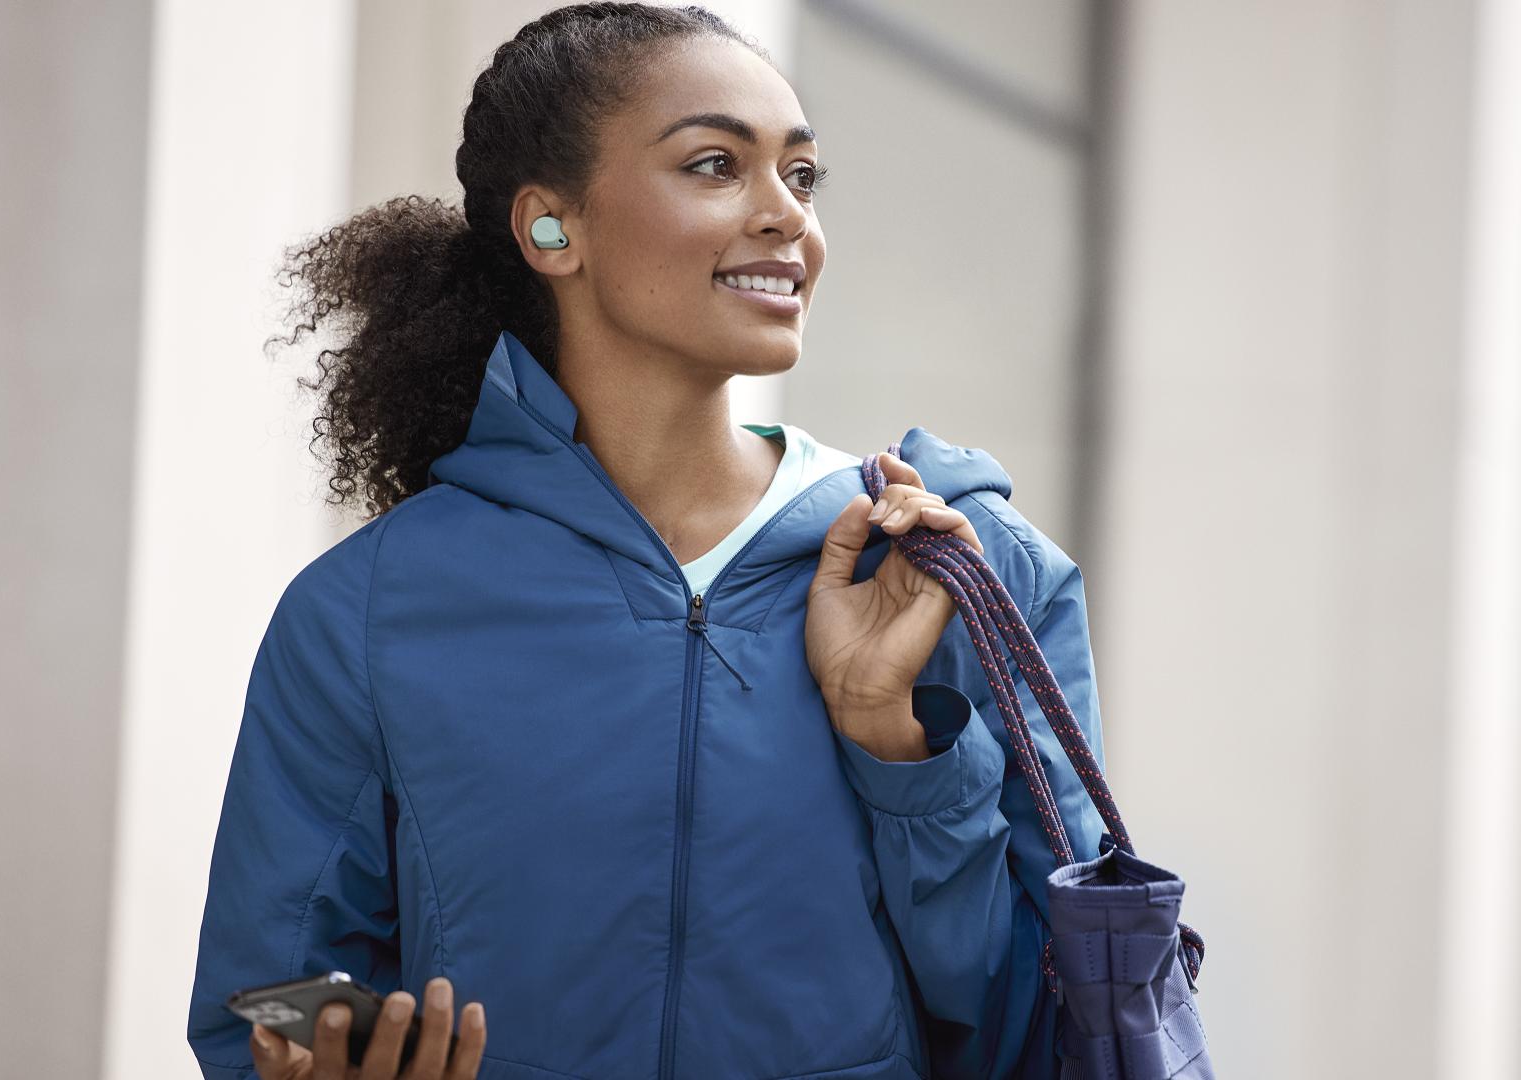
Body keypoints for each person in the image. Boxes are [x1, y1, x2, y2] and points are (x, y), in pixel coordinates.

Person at [186, 4, 1112, 1077]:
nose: (786, 218)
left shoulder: (953, 572)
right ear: (552, 228)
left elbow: (1050, 1028)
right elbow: (265, 1009)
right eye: (717, 165)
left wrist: (896, 748)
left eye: (802, 177)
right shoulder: (370, 611)